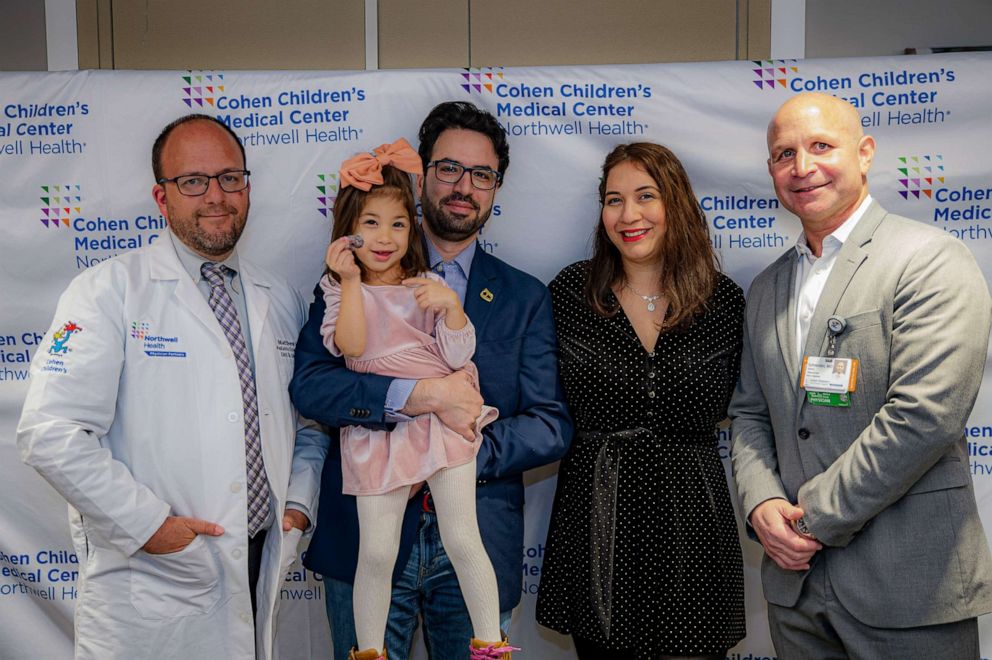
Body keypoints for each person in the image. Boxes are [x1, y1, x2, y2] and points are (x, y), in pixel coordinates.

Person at [16, 114, 326, 660]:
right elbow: (50, 431)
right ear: (162, 197)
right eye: (193, 182)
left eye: (230, 178)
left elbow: (311, 422)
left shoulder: (279, 298)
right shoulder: (107, 292)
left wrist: (298, 505)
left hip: (259, 559)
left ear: (247, 187)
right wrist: (150, 526)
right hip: (158, 572)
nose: (216, 196)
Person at [290, 101, 572, 660]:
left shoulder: (524, 297)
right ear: (421, 176)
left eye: (482, 174)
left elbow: (549, 425)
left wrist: (452, 456)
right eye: (448, 168)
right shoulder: (346, 282)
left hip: (473, 529)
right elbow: (313, 387)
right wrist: (415, 399)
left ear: (496, 189)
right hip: (364, 534)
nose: (463, 186)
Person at [730, 91, 992, 659]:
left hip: (909, 586)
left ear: (865, 152)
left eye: (821, 146)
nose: (802, 168)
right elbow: (750, 413)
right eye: (783, 154)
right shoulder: (765, 289)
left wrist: (812, 520)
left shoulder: (930, 259)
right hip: (796, 592)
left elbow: (926, 416)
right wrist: (761, 504)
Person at [536, 142, 746, 659]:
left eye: (645, 196)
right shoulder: (569, 293)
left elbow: (754, 413)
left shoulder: (723, 300)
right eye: (613, 200)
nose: (628, 215)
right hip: (598, 523)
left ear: (675, 203)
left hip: (692, 524)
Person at [318, 138, 509, 659]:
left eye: (398, 224)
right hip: (379, 431)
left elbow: (457, 353)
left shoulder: (426, 284)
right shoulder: (338, 289)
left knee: (463, 535)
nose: (385, 238)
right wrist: (352, 281)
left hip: (445, 427)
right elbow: (353, 351)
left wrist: (452, 309)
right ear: (347, 232)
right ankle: (371, 653)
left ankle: (491, 645)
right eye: (371, 224)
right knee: (376, 553)